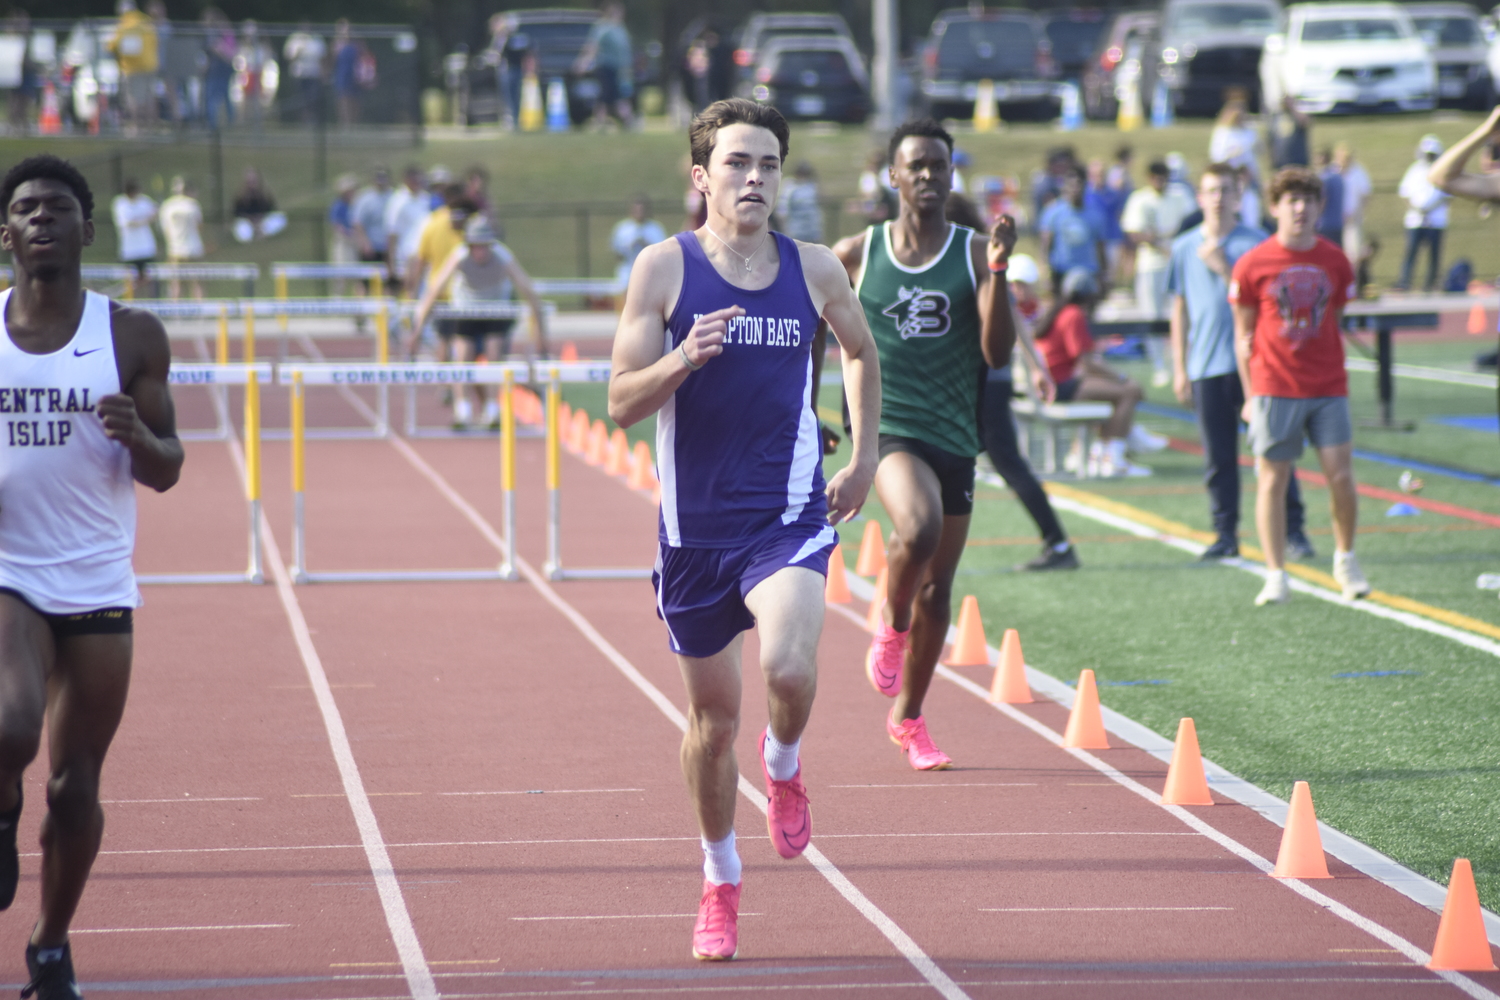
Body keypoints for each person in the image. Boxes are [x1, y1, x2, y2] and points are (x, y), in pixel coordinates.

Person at [606, 98, 880, 962]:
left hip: (787, 514)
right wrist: (684, 357)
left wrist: (865, 455)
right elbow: (618, 402)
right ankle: (720, 878)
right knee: (711, 725)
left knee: (789, 666)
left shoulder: (814, 269)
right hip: (694, 537)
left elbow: (861, 352)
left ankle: (788, 761)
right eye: (736, 163)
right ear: (701, 177)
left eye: (767, 163)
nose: (753, 177)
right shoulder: (663, 271)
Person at [0, 152, 184, 1000]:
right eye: (27, 208)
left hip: (99, 580)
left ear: (89, 229)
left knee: (76, 790)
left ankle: (49, 944)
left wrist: (139, 440)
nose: (42, 218)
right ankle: (2, 807)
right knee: (11, 725)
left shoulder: (130, 335)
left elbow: (169, 466)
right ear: (6, 232)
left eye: (59, 207)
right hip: (10, 569)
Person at [832, 117, 1017, 771]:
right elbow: (801, 322)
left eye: (939, 166)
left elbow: (996, 352)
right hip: (888, 426)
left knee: (942, 588)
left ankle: (908, 719)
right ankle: (890, 618)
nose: (929, 177)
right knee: (918, 525)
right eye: (917, 166)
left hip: (955, 434)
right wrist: (802, 409)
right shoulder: (858, 252)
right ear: (893, 177)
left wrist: (999, 270)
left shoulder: (971, 252)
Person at [1231, 167, 1368, 606]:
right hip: (1275, 385)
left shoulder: (1335, 260)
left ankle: (1345, 558)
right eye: (1290, 199)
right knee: (1272, 480)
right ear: (1274, 208)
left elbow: (1338, 318)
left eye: (1308, 199)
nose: (1300, 207)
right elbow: (1243, 335)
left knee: (1341, 477)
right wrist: (1251, 394)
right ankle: (1275, 573)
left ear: (1319, 207)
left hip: (1328, 384)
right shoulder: (1253, 263)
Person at [1168, 163, 1313, 561]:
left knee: (1275, 451)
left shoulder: (1257, 243)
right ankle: (1225, 533)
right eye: (1211, 190)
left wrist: (1223, 268)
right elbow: (1179, 310)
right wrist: (1180, 366)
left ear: (1238, 195)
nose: (1218, 198)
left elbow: (1270, 302)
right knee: (1218, 459)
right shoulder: (1183, 247)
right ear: (1200, 197)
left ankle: (1294, 531)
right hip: (1206, 366)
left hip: (1256, 365)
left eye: (1226, 190)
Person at [976, 252, 1079, 570]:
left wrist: (1038, 367)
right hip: (973, 381)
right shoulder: (967, 262)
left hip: (984, 381)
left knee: (1008, 463)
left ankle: (1059, 543)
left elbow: (1014, 320)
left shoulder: (975, 264)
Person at [413, 216, 549, 428]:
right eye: (476, 247)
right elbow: (435, 289)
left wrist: (540, 332)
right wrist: (417, 330)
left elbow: (529, 291)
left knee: (494, 349)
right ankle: (463, 410)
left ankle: (492, 410)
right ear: (469, 245)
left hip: (496, 310)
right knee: (463, 352)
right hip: (466, 310)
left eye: (484, 246)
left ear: (491, 245)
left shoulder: (502, 257)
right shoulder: (459, 256)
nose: (480, 252)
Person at [1034, 269, 1149, 478]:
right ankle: (1113, 458)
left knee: (1120, 393)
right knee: (1129, 392)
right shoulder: (1073, 314)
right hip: (1059, 386)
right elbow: (1085, 362)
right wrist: (1121, 378)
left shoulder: (1058, 312)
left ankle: (1099, 451)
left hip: (1052, 383)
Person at [1121, 160, 1194, 389]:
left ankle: (1179, 362)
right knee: (1151, 314)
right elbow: (1133, 233)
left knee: (1180, 313)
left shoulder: (1180, 194)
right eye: (1155, 177)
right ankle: (1160, 366)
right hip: (1150, 266)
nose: (1159, 181)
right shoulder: (1139, 199)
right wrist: (1157, 242)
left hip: (1178, 263)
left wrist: (1174, 240)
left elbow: (1192, 221)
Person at [1037, 163, 1106, 297]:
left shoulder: (1095, 215)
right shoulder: (1053, 213)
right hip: (1061, 272)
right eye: (1071, 184)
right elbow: (1045, 246)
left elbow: (1100, 248)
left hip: (1088, 272)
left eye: (1079, 184)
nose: (1075, 189)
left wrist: (1104, 276)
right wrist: (1046, 274)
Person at [1395, 135, 1450, 293]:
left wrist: (1430, 209)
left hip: (1436, 220)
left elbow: (1447, 196)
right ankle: (1405, 282)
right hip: (1415, 219)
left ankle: (1430, 284)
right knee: (1411, 252)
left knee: (1434, 255)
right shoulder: (1414, 170)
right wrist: (1417, 209)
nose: (1429, 157)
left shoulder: (1442, 170)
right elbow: (1404, 193)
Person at [574, 0, 634, 129]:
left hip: (620, 71)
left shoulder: (620, 28)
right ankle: (602, 121)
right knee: (606, 96)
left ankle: (625, 121)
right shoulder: (603, 27)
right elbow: (592, 46)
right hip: (606, 67)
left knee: (618, 96)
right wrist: (583, 63)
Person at [106, 0, 158, 131]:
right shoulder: (145, 21)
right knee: (149, 96)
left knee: (134, 98)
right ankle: (151, 126)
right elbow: (155, 42)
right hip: (150, 66)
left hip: (132, 68)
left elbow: (112, 46)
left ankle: (136, 126)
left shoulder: (123, 25)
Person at [383, 165, 430, 298]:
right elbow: (391, 233)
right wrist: (391, 265)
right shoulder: (397, 202)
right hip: (403, 257)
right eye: (414, 180)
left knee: (417, 293)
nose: (417, 183)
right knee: (403, 293)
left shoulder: (425, 199)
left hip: (422, 254)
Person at [158, 176, 204, 300]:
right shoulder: (193, 205)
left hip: (175, 249)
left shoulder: (167, 206)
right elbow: (199, 226)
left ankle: (176, 315)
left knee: (175, 283)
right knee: (196, 282)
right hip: (193, 248)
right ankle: (200, 314)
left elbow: (165, 229)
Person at [110, 178, 156, 295]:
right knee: (131, 282)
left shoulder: (145, 201)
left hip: (146, 249)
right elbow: (128, 223)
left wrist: (155, 213)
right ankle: (132, 308)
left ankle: (150, 307)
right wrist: (146, 220)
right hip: (129, 251)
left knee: (149, 280)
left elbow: (155, 213)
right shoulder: (120, 203)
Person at [353, 167, 394, 292]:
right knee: (364, 283)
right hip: (370, 248)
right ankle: (359, 311)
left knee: (389, 282)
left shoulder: (394, 196)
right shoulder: (365, 198)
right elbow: (358, 223)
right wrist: (365, 244)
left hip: (388, 248)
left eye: (383, 178)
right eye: (378, 178)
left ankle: (385, 311)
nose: (381, 181)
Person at [611, 195, 665, 290]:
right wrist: (629, 248)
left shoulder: (655, 229)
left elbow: (663, 253)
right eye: (636, 210)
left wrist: (646, 246)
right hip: (627, 275)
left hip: (650, 275)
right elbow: (616, 253)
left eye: (641, 210)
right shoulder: (622, 228)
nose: (639, 213)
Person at [1336, 143, 1372, 271]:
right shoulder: (1333, 172)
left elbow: (1365, 195)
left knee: (1353, 254)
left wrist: (1357, 213)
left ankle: (1353, 281)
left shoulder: (1359, 172)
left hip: (1353, 219)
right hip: (1335, 220)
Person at [200, 7, 236, 130]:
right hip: (216, 69)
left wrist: (218, 50)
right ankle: (218, 123)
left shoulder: (219, 32)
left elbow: (226, 52)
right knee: (219, 97)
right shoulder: (213, 32)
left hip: (220, 70)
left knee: (216, 97)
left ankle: (215, 125)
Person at [283, 22, 326, 125]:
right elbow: (288, 57)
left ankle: (311, 119)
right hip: (299, 75)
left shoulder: (317, 39)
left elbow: (323, 58)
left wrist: (323, 73)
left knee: (312, 98)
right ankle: (302, 120)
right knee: (300, 99)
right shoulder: (294, 39)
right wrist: (299, 51)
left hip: (313, 75)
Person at [231, 167, 284, 243]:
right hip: (248, 223)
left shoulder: (264, 193)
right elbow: (237, 214)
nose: (252, 184)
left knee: (280, 218)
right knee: (242, 228)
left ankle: (263, 233)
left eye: (254, 181)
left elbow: (271, 209)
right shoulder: (241, 196)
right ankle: (250, 238)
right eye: (249, 182)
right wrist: (251, 220)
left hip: (263, 222)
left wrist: (260, 219)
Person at [778, 162, 822, 244]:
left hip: (812, 232)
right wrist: (784, 229)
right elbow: (783, 210)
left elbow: (817, 208)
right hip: (796, 231)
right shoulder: (789, 187)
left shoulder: (812, 186)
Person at [1266, 95, 1310, 170]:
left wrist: (1292, 108)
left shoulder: (1297, 115)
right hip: (1281, 162)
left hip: (1298, 161)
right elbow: (1270, 139)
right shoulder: (1275, 117)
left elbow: (1305, 122)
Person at [331, 19, 360, 129]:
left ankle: (353, 123)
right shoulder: (336, 44)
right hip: (341, 75)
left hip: (354, 75)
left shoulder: (356, 43)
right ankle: (344, 123)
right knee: (342, 99)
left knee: (354, 100)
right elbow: (333, 60)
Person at [1314, 149, 1344, 247]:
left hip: (1325, 224)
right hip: (1338, 223)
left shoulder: (1323, 178)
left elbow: (1322, 201)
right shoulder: (1338, 177)